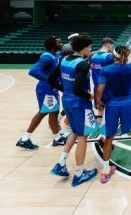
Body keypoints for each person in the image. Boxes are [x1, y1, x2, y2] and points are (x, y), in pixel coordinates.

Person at [48, 35, 98, 187]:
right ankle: (79, 173)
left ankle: (61, 163)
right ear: (84, 48)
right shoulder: (82, 64)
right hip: (79, 104)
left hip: (67, 101)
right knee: (82, 136)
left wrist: (66, 90)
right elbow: (78, 89)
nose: (91, 49)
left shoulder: (64, 59)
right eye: (90, 47)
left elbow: (51, 79)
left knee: (74, 131)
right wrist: (88, 96)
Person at [96, 46, 131, 184]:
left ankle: (105, 171)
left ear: (114, 56)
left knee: (109, 137)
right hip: (127, 104)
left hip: (112, 106)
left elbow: (100, 88)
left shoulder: (106, 70)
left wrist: (98, 102)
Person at [16, 36, 66, 150]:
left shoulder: (54, 55)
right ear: (53, 44)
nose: (61, 43)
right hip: (46, 89)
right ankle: (24, 139)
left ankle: (57, 138)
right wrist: (50, 80)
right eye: (59, 42)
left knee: (53, 112)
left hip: (51, 89)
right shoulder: (47, 57)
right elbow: (33, 71)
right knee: (43, 113)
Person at [90, 37, 114, 122]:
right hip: (107, 87)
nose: (112, 47)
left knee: (100, 110)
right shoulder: (109, 57)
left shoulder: (93, 56)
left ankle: (101, 132)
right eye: (111, 45)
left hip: (97, 87)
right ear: (108, 45)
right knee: (110, 111)